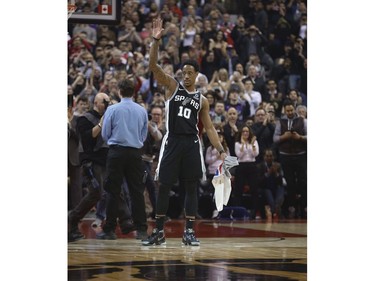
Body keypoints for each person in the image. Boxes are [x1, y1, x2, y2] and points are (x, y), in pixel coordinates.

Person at [142, 17, 227, 246]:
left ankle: (189, 231)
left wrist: (220, 149)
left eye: (190, 73)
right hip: (172, 141)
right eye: (184, 72)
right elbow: (153, 67)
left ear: (197, 76)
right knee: (164, 186)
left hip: (192, 143)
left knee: (191, 187)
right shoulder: (172, 86)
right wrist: (156, 42)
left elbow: (208, 127)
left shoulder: (202, 100)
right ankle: (159, 231)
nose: (186, 75)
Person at [97, 79, 149, 240]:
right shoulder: (141, 110)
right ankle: (141, 230)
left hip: (116, 152)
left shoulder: (112, 109)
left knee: (113, 191)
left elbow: (105, 133)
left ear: (119, 91)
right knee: (137, 192)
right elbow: (144, 134)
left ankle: (110, 230)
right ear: (134, 92)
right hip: (135, 153)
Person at [68, 92, 114, 242]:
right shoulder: (84, 118)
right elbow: (88, 138)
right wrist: (101, 123)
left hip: (106, 161)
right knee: (96, 193)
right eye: (105, 102)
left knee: (110, 193)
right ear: (96, 103)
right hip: (91, 162)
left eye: (109, 103)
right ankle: (73, 218)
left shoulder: (109, 118)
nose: (107, 106)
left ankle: (109, 226)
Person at [273, 99, 307, 219]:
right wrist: (284, 137)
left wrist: (300, 137)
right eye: (287, 110)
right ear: (284, 110)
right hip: (285, 155)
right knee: (290, 183)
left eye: (291, 110)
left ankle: (304, 208)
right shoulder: (280, 122)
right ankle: (291, 207)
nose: (290, 112)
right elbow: (275, 139)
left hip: (300, 154)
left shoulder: (303, 120)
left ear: (295, 108)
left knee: (303, 182)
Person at [233, 124, 260, 218]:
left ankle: (254, 212)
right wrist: (243, 144)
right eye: (243, 131)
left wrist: (252, 145)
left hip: (252, 166)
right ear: (241, 133)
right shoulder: (237, 143)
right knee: (238, 189)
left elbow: (255, 154)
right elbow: (239, 155)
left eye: (247, 131)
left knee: (254, 189)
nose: (245, 133)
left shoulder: (254, 142)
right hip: (241, 166)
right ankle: (238, 211)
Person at [257, 149, 285, 220]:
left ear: (274, 157)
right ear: (264, 157)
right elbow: (259, 181)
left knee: (280, 194)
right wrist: (268, 173)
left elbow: (281, 181)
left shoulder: (278, 165)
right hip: (266, 187)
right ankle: (277, 212)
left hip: (277, 186)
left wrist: (276, 173)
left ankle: (277, 210)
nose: (269, 158)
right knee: (270, 197)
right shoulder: (260, 166)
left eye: (271, 156)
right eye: (267, 156)